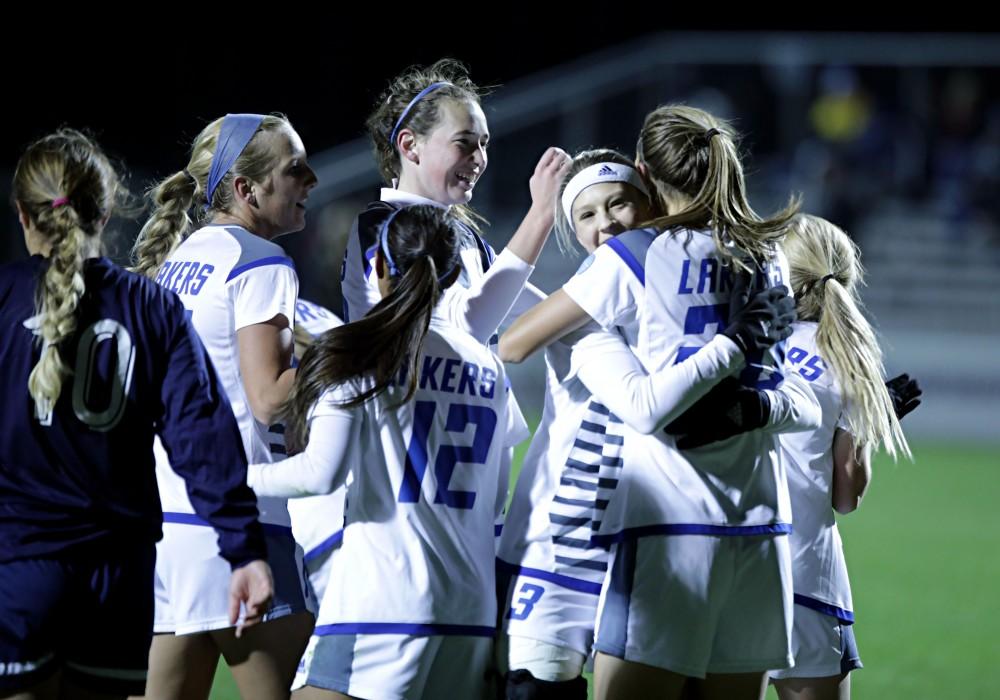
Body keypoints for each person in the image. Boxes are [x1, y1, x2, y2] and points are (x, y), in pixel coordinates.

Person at [0, 129, 272, 700]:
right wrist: (242, 548)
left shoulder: (1, 300)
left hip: (19, 572)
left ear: (22, 214)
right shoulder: (150, 305)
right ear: (107, 209)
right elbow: (204, 439)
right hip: (118, 584)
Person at [249, 204, 529, 699]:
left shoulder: (360, 349)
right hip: (470, 611)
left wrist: (240, 476)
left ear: (378, 266)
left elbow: (320, 474)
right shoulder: (487, 363)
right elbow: (496, 499)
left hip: (383, 604)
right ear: (456, 274)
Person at [130, 113, 317, 699]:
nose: (310, 179)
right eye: (294, 168)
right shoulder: (260, 261)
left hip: (169, 527)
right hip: (242, 525)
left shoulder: (173, 262)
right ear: (246, 189)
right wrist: (349, 358)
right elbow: (268, 399)